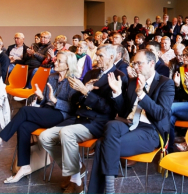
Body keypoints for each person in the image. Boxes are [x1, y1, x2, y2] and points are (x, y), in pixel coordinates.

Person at [0, 51, 78, 183]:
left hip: (61, 115)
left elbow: (73, 108)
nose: (55, 62)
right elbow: (44, 100)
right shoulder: (52, 76)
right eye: (56, 60)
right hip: (47, 111)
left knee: (24, 110)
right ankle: (24, 166)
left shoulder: (73, 81)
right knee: (24, 126)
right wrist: (41, 97)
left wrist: (55, 101)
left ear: (68, 65)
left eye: (59, 61)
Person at [39, 45, 128, 194]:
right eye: (96, 55)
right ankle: (77, 168)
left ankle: (76, 181)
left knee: (66, 133)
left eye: (100, 55)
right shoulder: (91, 73)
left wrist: (86, 92)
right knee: (44, 137)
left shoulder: (119, 76)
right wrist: (81, 91)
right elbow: (75, 100)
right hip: (79, 117)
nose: (96, 58)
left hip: (98, 122)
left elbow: (110, 110)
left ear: (111, 57)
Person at [88, 49, 175, 194]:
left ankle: (107, 190)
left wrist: (141, 94)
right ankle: (108, 190)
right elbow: (123, 112)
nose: (135, 67)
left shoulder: (166, 83)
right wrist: (117, 92)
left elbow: (160, 114)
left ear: (151, 63)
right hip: (129, 124)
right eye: (134, 63)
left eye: (139, 64)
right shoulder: (133, 81)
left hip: (150, 130)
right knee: (111, 125)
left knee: (102, 144)